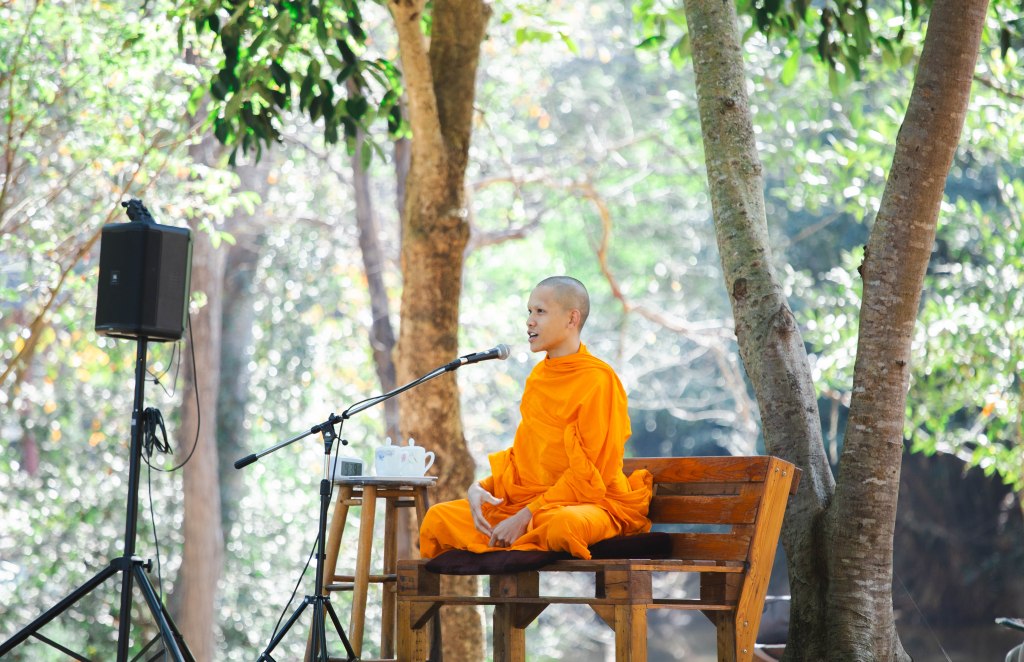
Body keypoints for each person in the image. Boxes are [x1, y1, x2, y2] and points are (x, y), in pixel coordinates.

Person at [419, 276, 652, 560]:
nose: (530, 321)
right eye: (529, 312)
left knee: (564, 526)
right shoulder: (538, 378)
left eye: (540, 312)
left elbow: (593, 476)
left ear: (571, 318)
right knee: (439, 518)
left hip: (590, 504)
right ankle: (522, 531)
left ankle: (523, 530)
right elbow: (526, 458)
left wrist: (524, 516)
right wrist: (481, 487)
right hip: (531, 504)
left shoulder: (599, 381)